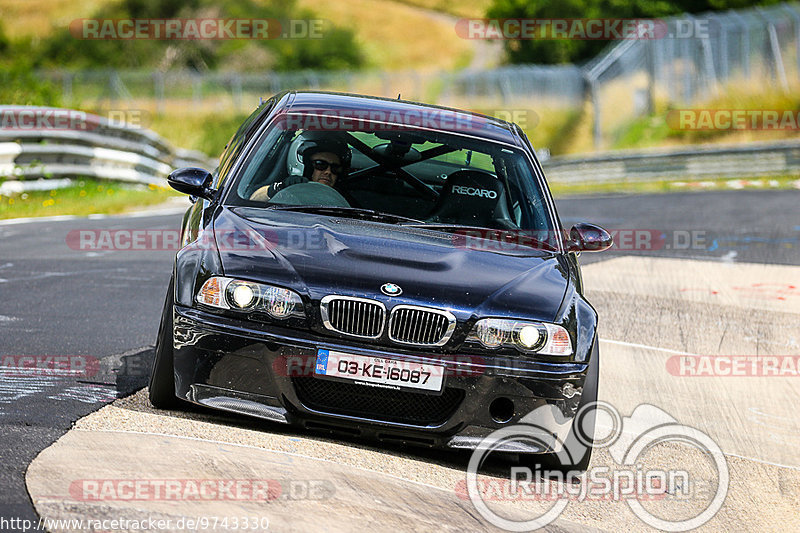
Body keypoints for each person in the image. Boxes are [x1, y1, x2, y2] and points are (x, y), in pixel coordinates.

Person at [250, 132, 350, 202]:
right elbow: (253, 199)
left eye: (335, 168)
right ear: (305, 164)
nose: (328, 172)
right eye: (320, 164)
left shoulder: (342, 200)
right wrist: (281, 188)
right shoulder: (286, 192)